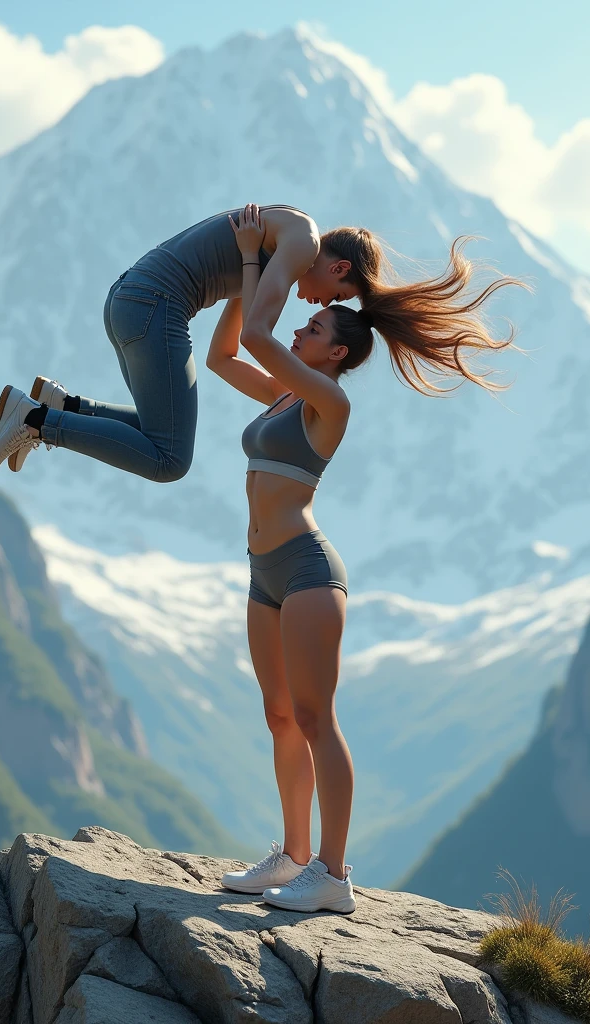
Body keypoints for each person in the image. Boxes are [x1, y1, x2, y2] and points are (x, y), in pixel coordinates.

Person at [212, 206, 522, 913]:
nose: (300, 328)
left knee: (318, 719)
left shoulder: (327, 404)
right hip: (262, 572)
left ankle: (334, 875)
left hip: (307, 573)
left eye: (314, 328)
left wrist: (262, 259)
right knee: (279, 716)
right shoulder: (288, 391)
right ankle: (291, 857)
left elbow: (260, 335)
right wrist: (241, 272)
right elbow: (225, 355)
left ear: (337, 355)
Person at [0, 205, 357, 482]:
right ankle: (33, 419)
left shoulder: (284, 234)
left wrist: (248, 259)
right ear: (339, 268)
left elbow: (234, 339)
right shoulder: (303, 243)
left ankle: (63, 406)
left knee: (159, 431)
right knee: (170, 459)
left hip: (129, 297)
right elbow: (254, 334)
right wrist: (248, 256)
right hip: (157, 305)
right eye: (337, 296)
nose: (324, 302)